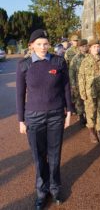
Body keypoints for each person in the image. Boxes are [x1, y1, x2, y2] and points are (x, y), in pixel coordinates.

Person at [16, 29, 72, 210]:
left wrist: (69, 111)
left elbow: (66, 87)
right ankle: (41, 191)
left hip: (56, 115)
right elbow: (19, 94)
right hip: (33, 117)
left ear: (49, 45)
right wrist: (21, 120)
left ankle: (55, 188)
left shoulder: (58, 61)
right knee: (39, 157)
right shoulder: (24, 65)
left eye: (45, 44)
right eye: (38, 44)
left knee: (55, 156)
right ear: (31, 45)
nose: (42, 47)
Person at [78, 39, 100, 143]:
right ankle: (92, 131)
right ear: (90, 48)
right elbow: (81, 77)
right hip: (90, 92)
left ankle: (99, 129)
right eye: (94, 47)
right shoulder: (85, 61)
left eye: (98, 46)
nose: (96, 48)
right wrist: (82, 92)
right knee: (90, 112)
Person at [69, 39, 88, 126]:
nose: (84, 48)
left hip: (88, 83)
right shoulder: (75, 59)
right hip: (78, 83)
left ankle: (88, 116)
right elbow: (72, 72)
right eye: (82, 46)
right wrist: (73, 85)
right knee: (79, 101)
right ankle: (81, 117)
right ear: (79, 47)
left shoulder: (90, 56)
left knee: (88, 100)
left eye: (86, 46)